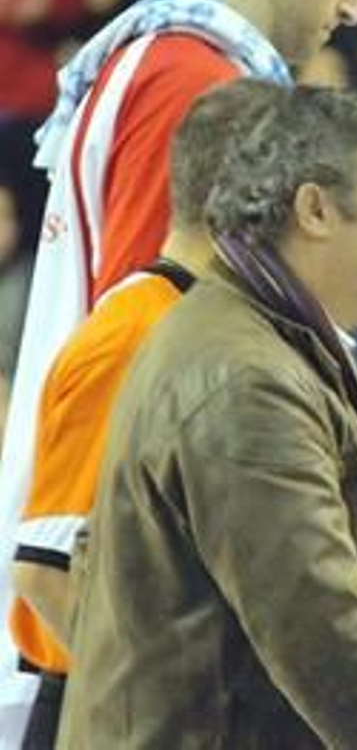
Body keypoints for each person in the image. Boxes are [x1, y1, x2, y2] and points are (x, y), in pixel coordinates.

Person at [0, 0, 357, 740]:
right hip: (104, 600)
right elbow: (151, 328)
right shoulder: (196, 85)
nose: (354, 7)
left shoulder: (162, 57)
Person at [57, 86, 357, 747]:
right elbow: (321, 631)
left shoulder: (256, 340)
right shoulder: (245, 378)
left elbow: (351, 579)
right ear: (315, 209)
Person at [9, 79, 276, 748]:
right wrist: (170, 718)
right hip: (103, 714)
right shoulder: (134, 334)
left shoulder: (193, 322)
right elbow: (46, 571)